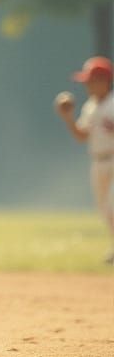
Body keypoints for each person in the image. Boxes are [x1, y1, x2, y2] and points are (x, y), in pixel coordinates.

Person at [54, 56, 114, 264]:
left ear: (103, 81)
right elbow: (81, 136)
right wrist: (68, 117)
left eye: (90, 80)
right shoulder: (91, 107)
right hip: (97, 161)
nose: (87, 85)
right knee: (104, 209)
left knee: (113, 206)